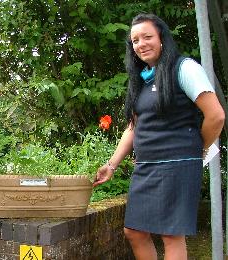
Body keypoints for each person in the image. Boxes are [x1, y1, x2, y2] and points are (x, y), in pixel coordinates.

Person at [93, 13, 225, 260]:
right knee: (134, 231)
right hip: (146, 167)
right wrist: (111, 165)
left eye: (147, 37)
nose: (141, 44)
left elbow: (216, 116)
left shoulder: (185, 68)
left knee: (171, 235)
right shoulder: (142, 79)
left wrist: (199, 148)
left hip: (177, 165)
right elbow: (133, 127)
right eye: (135, 40)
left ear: (162, 38)